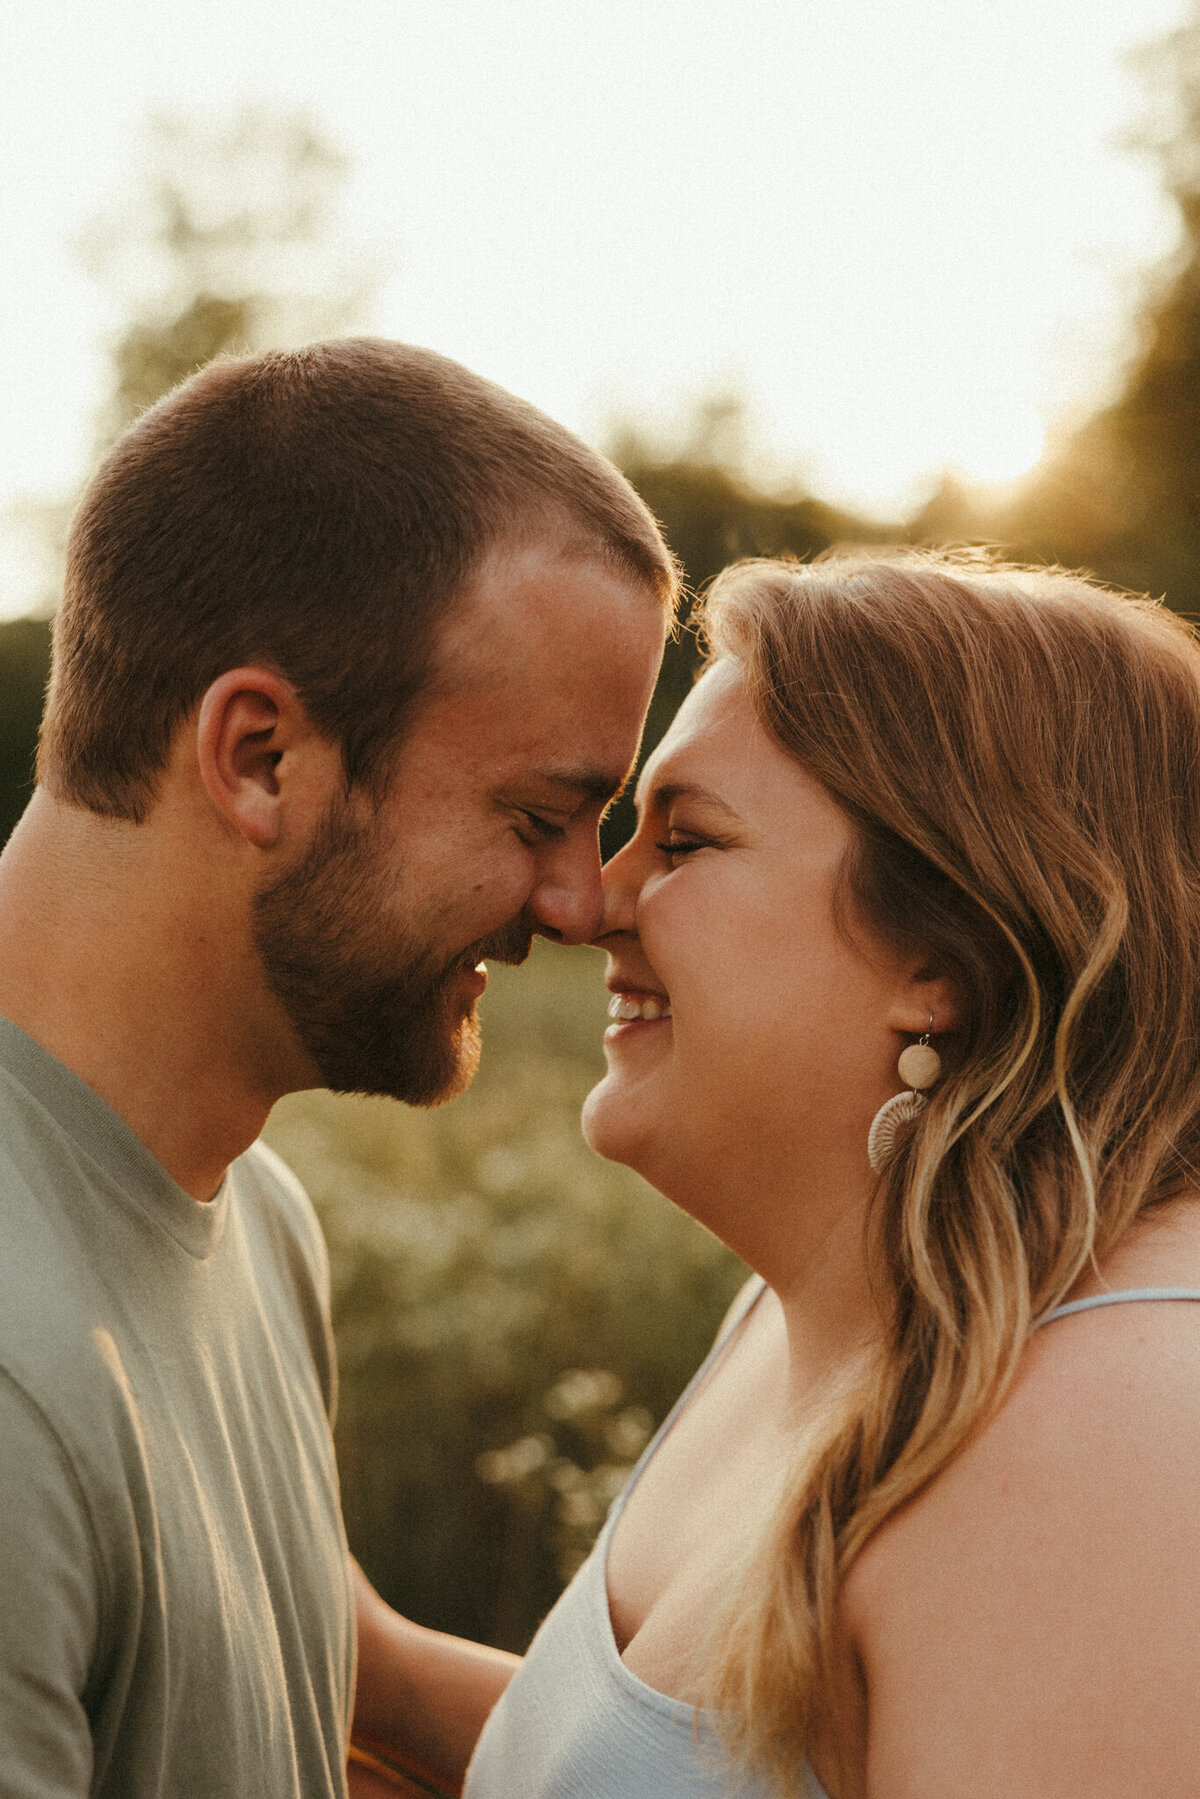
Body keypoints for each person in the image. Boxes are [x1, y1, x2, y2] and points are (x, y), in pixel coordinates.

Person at [0, 335, 674, 1799]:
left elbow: (323, 1677)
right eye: (539, 813)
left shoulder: (253, 1211)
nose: (580, 903)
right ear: (259, 755)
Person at [460, 551, 1200, 1799]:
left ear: (946, 952)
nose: (591, 901)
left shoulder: (1115, 1446)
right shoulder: (815, 1306)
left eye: (685, 839)